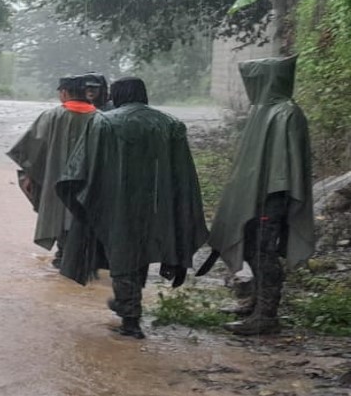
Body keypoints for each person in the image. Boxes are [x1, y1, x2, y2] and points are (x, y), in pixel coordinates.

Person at [55, 77, 208, 338]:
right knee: (140, 252)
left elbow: (80, 167)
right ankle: (128, 304)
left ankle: (130, 319)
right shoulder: (170, 124)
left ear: (117, 96)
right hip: (159, 202)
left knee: (123, 254)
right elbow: (183, 173)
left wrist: (79, 200)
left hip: (116, 201)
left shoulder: (103, 122)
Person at [202, 56, 315, 335]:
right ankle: (255, 302)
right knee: (251, 245)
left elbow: (285, 165)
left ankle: (266, 315)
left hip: (272, 197)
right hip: (257, 195)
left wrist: (273, 199)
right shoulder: (263, 111)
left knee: (264, 250)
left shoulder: (286, 113)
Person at [7, 75, 97, 267]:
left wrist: (29, 176)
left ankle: (63, 255)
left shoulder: (51, 116)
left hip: (56, 181)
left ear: (64, 93)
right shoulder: (100, 118)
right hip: (91, 181)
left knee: (59, 214)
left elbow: (32, 151)